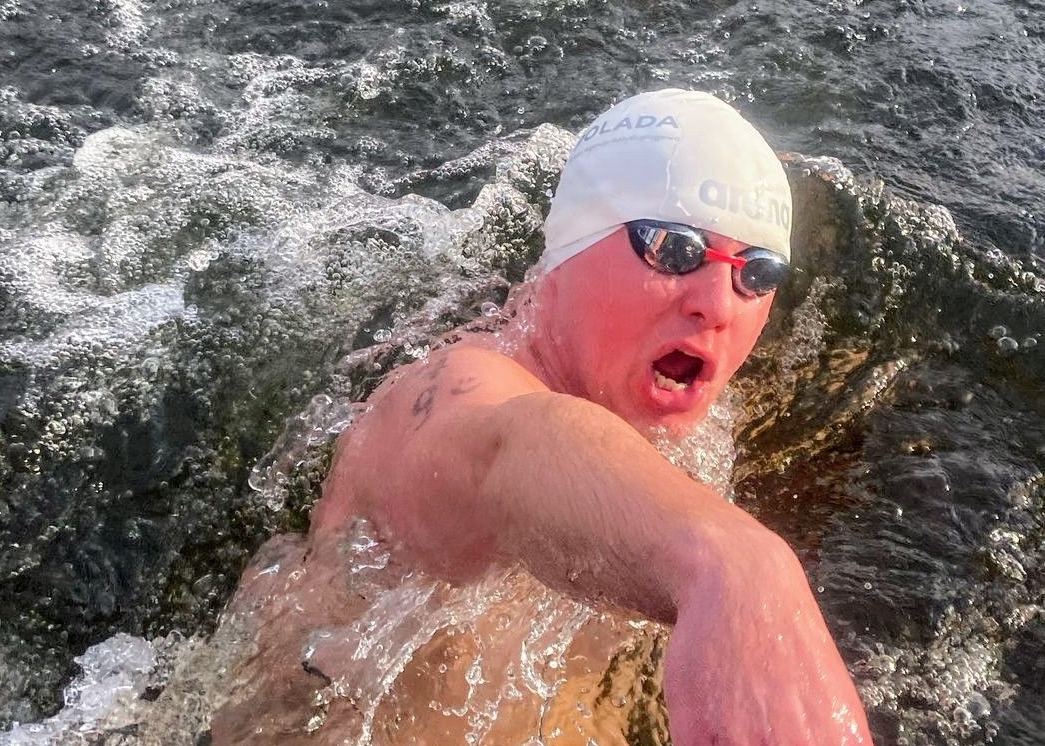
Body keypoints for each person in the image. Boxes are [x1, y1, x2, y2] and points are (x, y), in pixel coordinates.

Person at [225, 89, 872, 745]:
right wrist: (735, 565)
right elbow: (514, 446)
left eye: (755, 273)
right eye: (674, 249)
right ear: (570, 248)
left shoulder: (674, 410)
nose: (718, 305)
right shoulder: (453, 388)